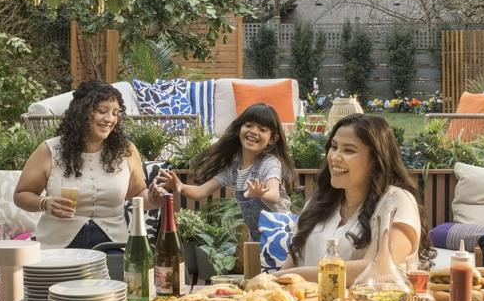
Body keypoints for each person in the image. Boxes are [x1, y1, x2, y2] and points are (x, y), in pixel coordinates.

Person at [279, 114, 426, 282]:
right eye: (334, 147)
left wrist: (288, 276)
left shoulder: (397, 201)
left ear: (375, 161)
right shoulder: (318, 203)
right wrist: (272, 281)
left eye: (349, 150)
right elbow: (293, 261)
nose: (334, 157)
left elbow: (377, 267)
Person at [14, 80, 153, 248]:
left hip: (113, 246)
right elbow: (21, 195)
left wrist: (155, 197)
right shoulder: (49, 150)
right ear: (82, 111)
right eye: (102, 111)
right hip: (57, 246)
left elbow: (138, 193)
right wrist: (45, 203)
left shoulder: (126, 151)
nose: (110, 119)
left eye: (115, 113)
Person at [155, 102, 296, 243]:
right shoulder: (233, 169)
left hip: (282, 234)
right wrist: (180, 187)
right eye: (248, 125)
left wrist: (261, 193)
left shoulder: (269, 163)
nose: (253, 131)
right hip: (258, 237)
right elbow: (201, 192)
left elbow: (274, 195)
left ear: (272, 139)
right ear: (239, 128)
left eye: (262, 129)